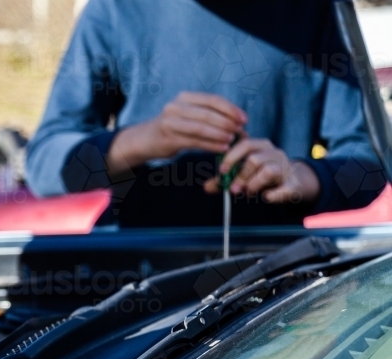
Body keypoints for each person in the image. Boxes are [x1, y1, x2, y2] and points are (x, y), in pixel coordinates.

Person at [26, 0, 387, 228]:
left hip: (276, 284)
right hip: (141, 279)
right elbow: (45, 164)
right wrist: (143, 140)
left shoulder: (317, 10)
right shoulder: (116, 9)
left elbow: (370, 163)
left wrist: (299, 177)